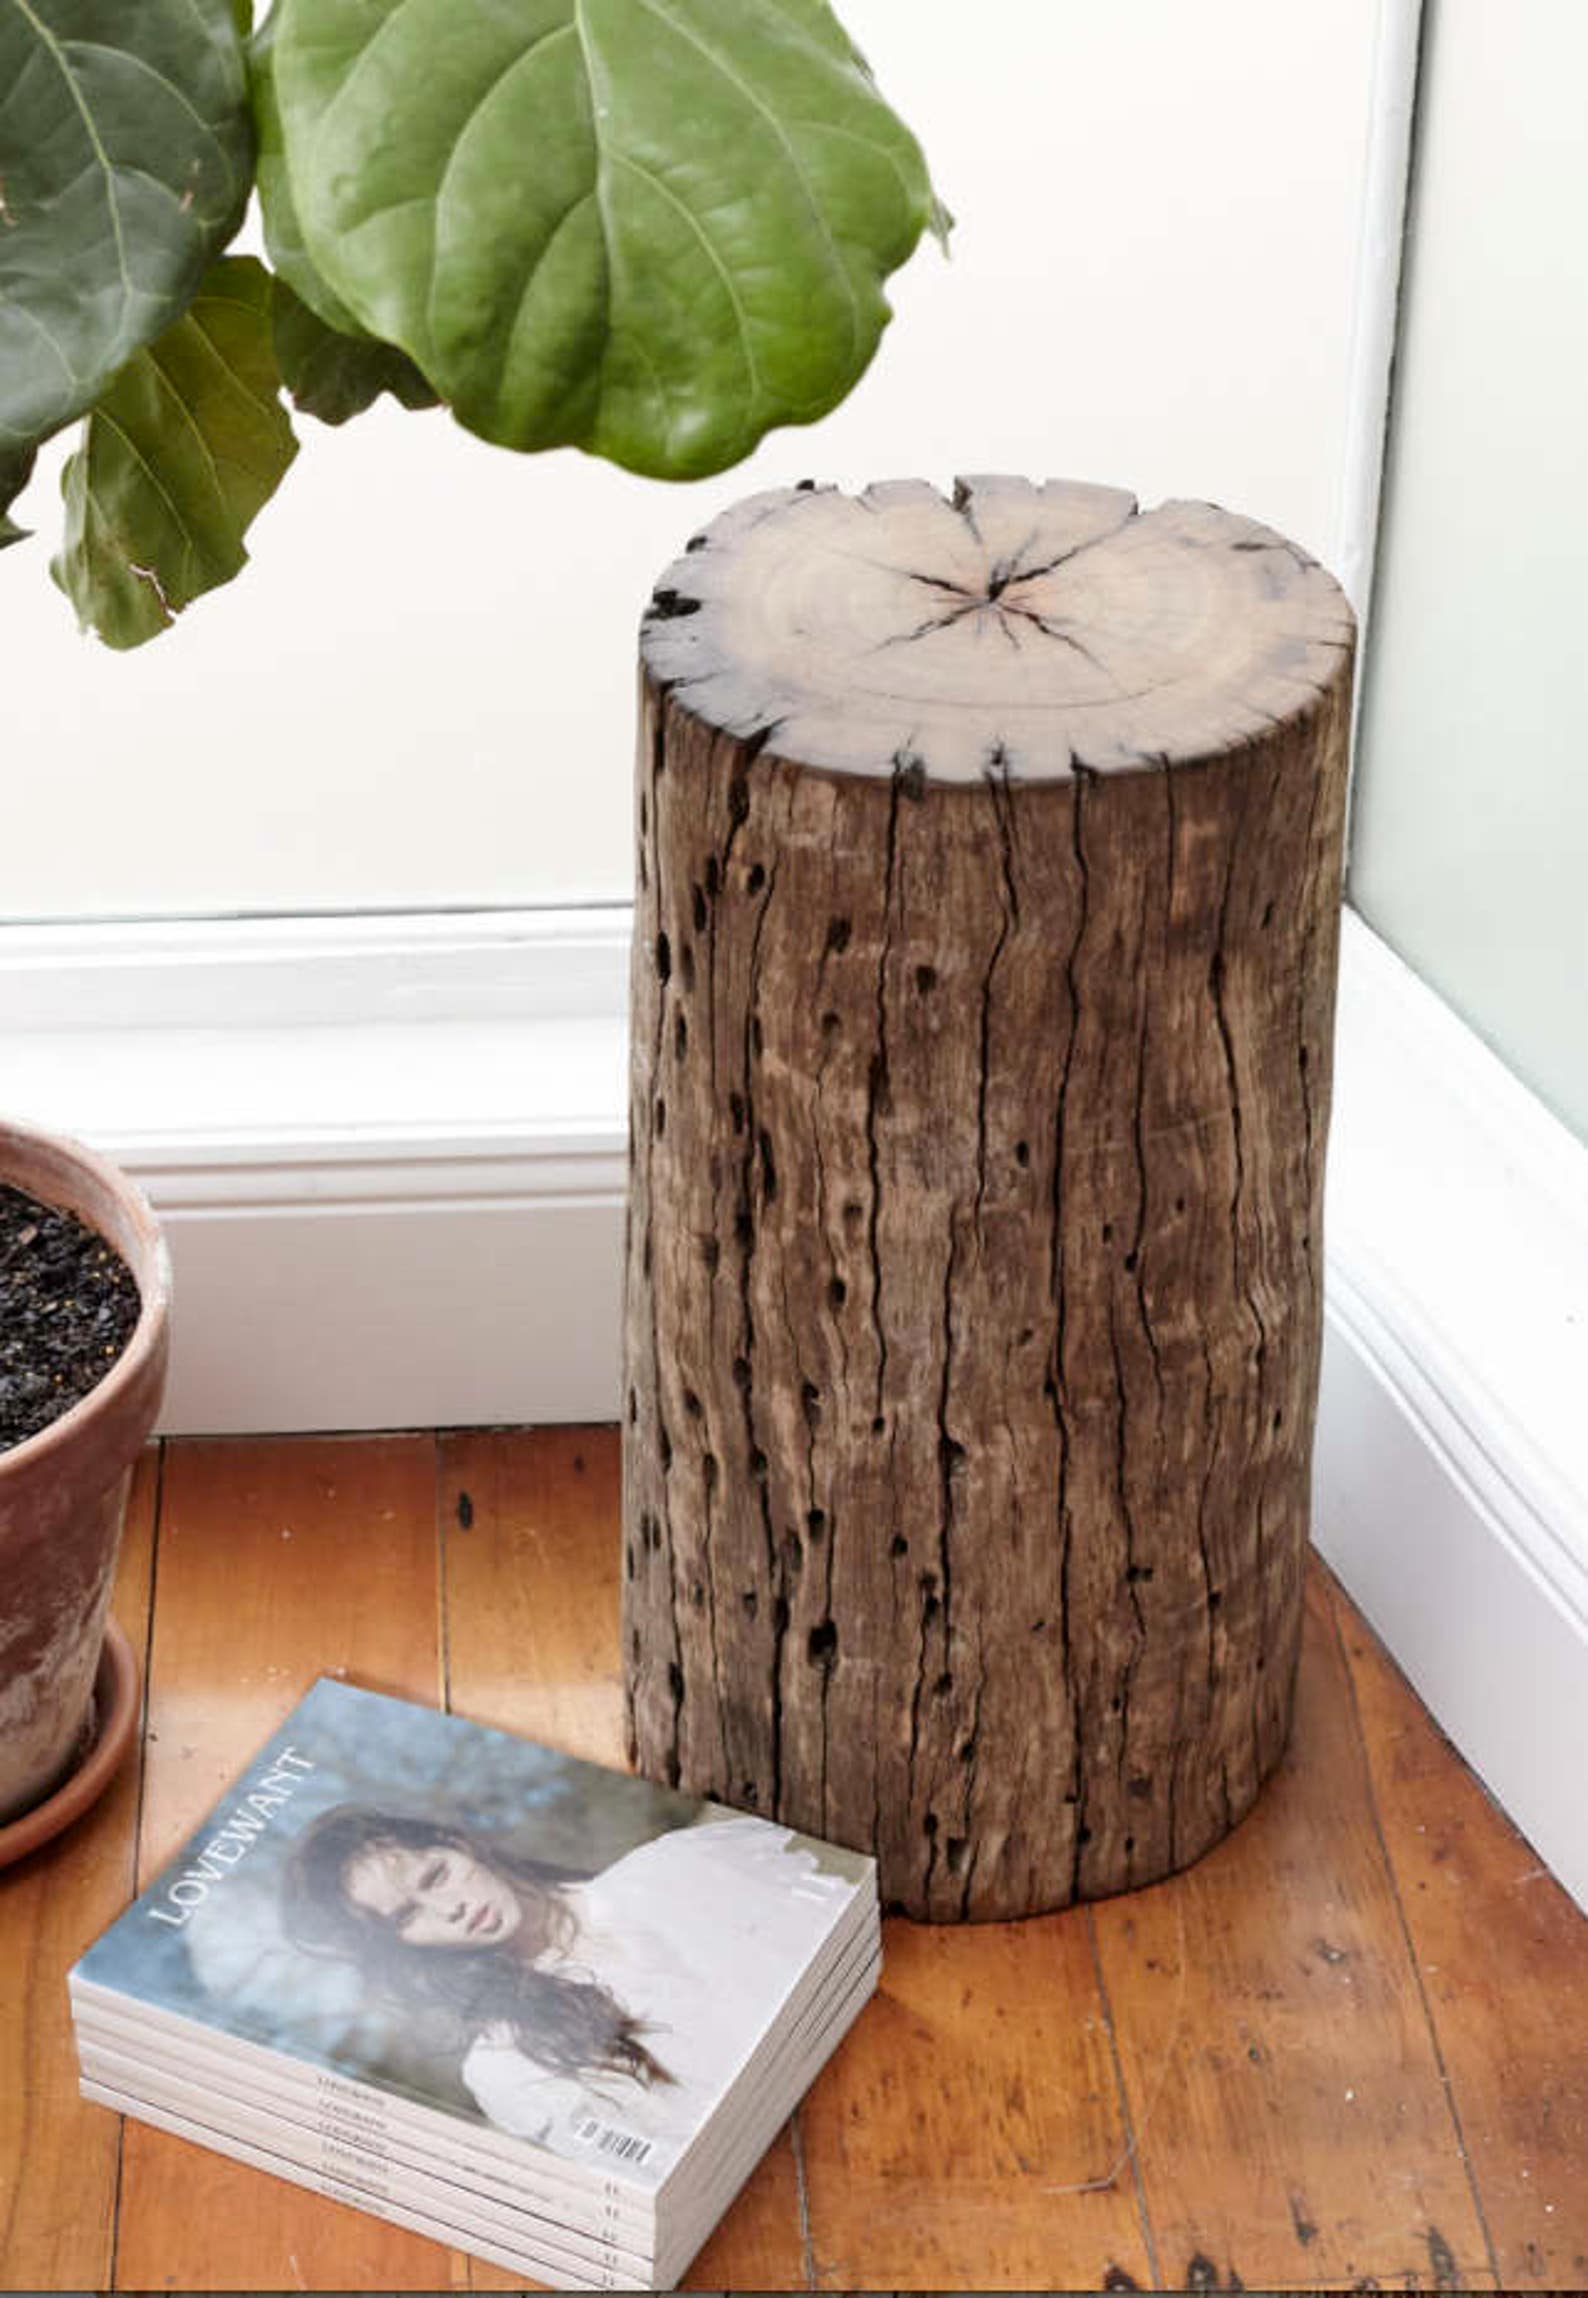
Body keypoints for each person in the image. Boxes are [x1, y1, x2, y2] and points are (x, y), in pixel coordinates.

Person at [282, 1803, 852, 2174]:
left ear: (458, 1844)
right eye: (407, 1916)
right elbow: (664, 2170)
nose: (449, 1907)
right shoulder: (507, 2065)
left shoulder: (674, 1867)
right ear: (401, 1948)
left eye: (436, 1875)